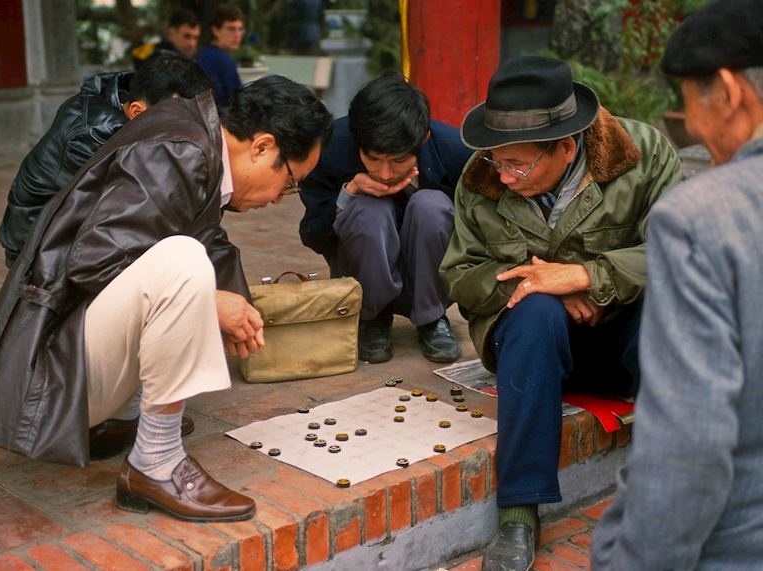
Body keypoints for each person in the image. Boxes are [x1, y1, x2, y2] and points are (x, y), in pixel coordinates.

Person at [0, 75, 334, 523]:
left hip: (66, 359)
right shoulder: (181, 150)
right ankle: (155, 463)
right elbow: (94, 260)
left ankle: (124, 415)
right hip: (51, 383)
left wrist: (232, 302)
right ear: (261, 146)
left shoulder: (194, 139)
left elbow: (206, 237)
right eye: (291, 183)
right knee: (182, 260)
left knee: (192, 258)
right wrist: (208, 302)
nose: (280, 199)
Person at [439, 56, 682, 571]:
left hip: (623, 343)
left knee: (677, 313)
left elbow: (680, 249)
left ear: (567, 147)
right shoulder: (481, 176)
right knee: (535, 314)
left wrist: (587, 277)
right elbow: (460, 272)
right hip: (534, 350)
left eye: (519, 166)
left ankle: (671, 487)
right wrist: (537, 281)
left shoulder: (642, 155)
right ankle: (520, 511)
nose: (503, 177)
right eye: (496, 161)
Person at [591, 2, 763, 568]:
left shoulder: (703, 216)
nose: (689, 125)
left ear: (730, 92)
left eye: (689, 105)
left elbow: (689, 442)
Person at [300, 74, 472, 364]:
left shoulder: (457, 152)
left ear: (424, 139)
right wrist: (349, 193)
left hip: (431, 272)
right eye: (374, 158)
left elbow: (477, 237)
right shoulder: (329, 148)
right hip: (362, 267)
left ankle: (432, 318)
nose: (385, 173)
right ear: (358, 142)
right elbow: (313, 234)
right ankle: (372, 318)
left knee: (431, 205)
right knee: (370, 209)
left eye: (398, 160)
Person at [0, 55, 214, 269]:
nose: (189, 133)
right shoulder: (94, 136)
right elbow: (140, 211)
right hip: (38, 246)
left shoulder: (135, 106)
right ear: (136, 111)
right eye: (178, 123)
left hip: (80, 231)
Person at [195, 5, 245, 106]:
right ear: (215, 30)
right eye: (231, 29)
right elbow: (238, 103)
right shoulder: (223, 59)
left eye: (240, 29)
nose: (237, 35)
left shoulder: (202, 54)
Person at [132, 8, 201, 66]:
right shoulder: (153, 53)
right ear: (171, 32)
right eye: (187, 36)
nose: (192, 43)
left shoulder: (196, 58)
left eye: (195, 38)